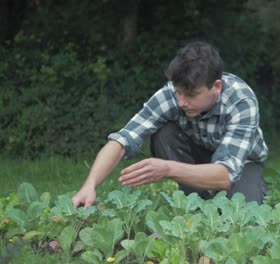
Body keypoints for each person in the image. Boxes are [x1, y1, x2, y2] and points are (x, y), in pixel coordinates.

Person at [71, 41, 269, 208]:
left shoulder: (241, 100)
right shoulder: (172, 94)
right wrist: (90, 185)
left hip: (242, 163)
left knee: (245, 213)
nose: (181, 101)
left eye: (191, 95)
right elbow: (123, 139)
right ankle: (196, 204)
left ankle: (237, 199)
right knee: (165, 133)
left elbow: (226, 175)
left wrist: (167, 169)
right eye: (178, 92)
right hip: (199, 154)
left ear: (216, 87)